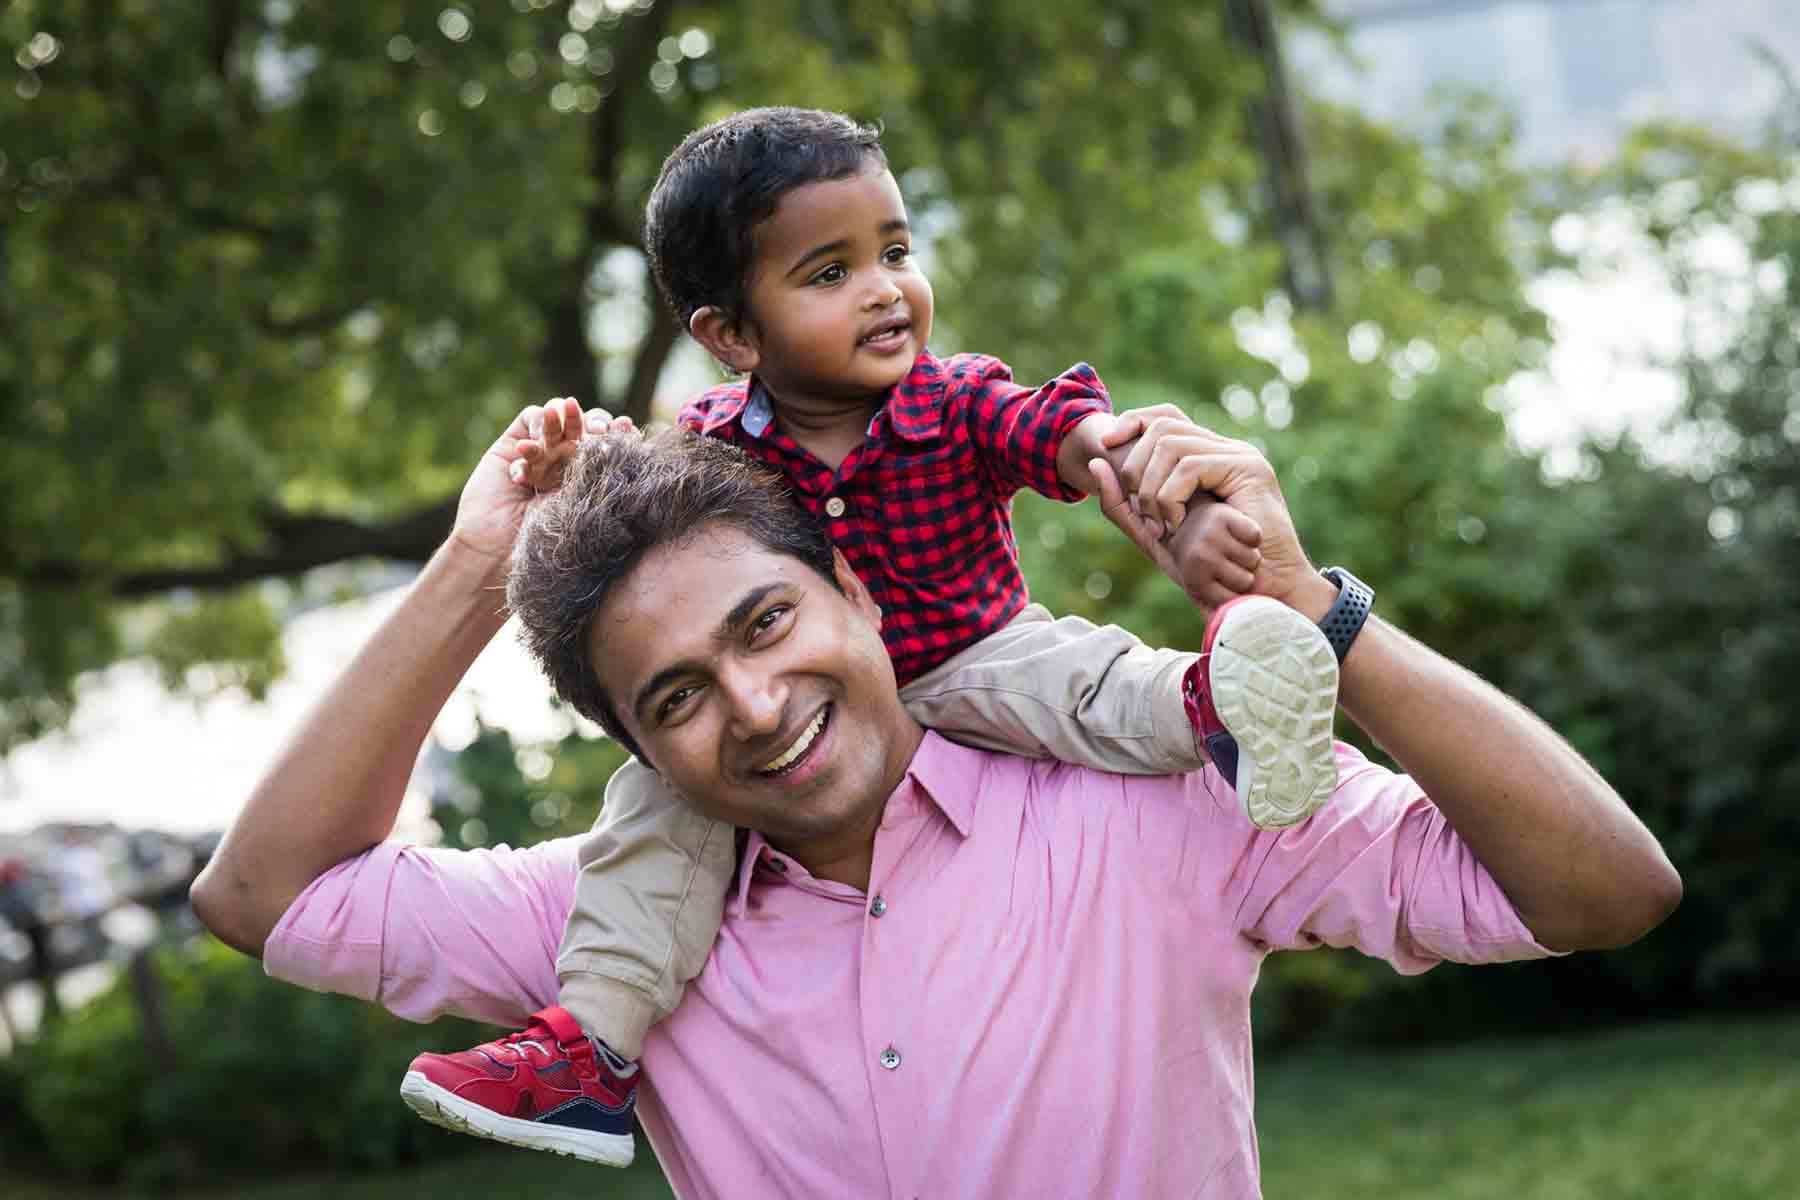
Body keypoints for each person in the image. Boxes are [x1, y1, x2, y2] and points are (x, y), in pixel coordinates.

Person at [190, 417, 1680, 1198]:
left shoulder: (1163, 804)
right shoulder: (602, 942)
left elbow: (1604, 892)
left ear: (854, 589)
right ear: (639, 751)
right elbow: (262, 899)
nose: (756, 706)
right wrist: (475, 563)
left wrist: (1310, 611)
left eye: (766, 625)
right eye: (679, 696)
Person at [380, 106, 1346, 1166]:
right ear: (732, 335)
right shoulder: (709, 451)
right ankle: (593, 1049)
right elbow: (642, 533)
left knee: (1085, 679)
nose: (886, 289)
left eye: (894, 251)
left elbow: (1055, 433)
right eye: (828, 273)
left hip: (976, 652)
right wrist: (574, 467)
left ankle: (1227, 716)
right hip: (820, 697)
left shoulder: (951, 398)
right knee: (649, 819)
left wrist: (1164, 492)